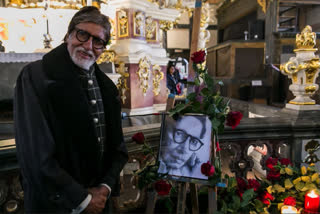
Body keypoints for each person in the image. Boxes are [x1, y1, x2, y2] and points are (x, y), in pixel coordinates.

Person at [14, 6, 128, 214]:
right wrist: (82, 199)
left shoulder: (107, 86)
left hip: (100, 202)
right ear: (68, 35)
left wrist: (104, 188)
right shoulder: (36, 77)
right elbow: (35, 153)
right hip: (56, 204)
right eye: (82, 34)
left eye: (98, 41)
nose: (88, 46)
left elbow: (118, 148)